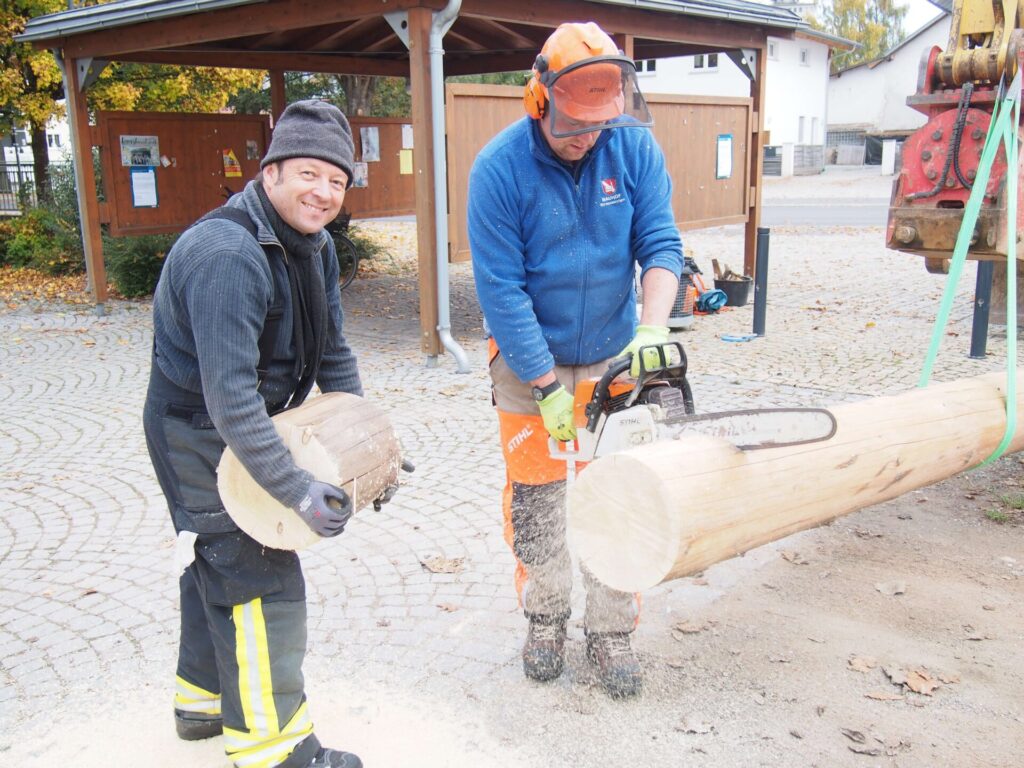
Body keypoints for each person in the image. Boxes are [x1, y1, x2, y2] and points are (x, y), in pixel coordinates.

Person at [144, 100, 368, 768]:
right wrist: (298, 490)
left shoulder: (315, 245)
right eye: (308, 173)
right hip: (196, 426)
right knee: (258, 571)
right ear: (269, 173)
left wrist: (366, 445)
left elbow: (332, 354)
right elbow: (231, 398)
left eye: (336, 181)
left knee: (217, 558)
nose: (322, 192)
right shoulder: (227, 255)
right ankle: (274, 748)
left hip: (241, 418)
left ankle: (201, 701)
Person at [467, 21, 683, 698]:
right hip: (531, 357)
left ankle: (612, 629)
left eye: (597, 125)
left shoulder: (631, 148)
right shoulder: (499, 168)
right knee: (538, 500)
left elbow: (661, 243)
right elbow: (502, 287)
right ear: (539, 101)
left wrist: (651, 331)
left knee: (620, 497)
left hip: (615, 350)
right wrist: (543, 384)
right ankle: (547, 617)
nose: (586, 138)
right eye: (572, 127)